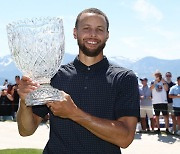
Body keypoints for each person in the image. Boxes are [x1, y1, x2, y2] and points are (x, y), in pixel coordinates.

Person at [17, 8, 140, 154]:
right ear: (75, 33)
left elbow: (125, 138)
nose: (93, 34)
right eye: (86, 28)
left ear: (107, 35)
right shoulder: (54, 76)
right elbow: (26, 130)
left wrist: (74, 113)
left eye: (99, 29)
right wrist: (24, 102)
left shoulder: (124, 78)